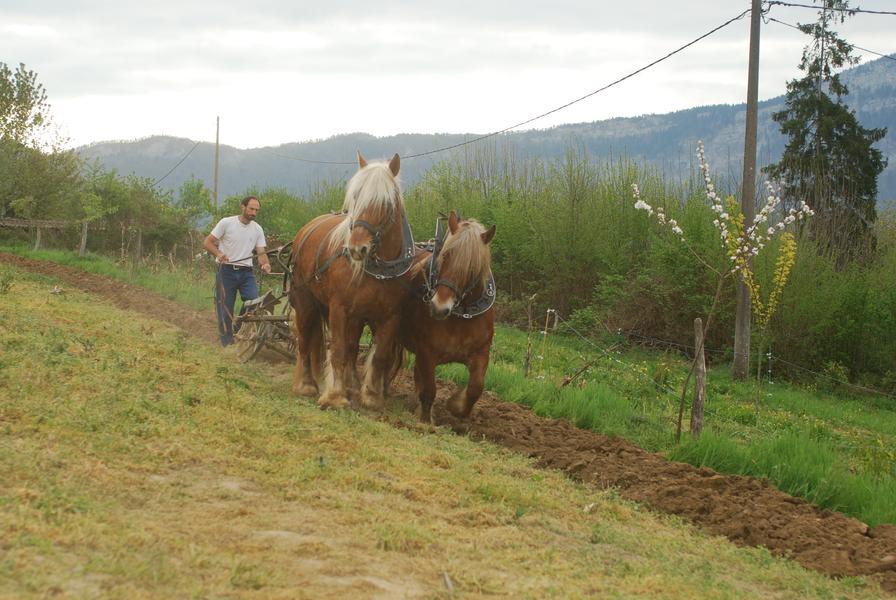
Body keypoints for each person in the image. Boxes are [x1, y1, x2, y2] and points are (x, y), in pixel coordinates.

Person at [203, 195, 272, 346]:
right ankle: (227, 343)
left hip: (246, 272)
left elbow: (261, 253)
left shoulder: (257, 229)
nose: (254, 213)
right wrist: (219, 254)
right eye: (251, 209)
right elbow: (207, 242)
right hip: (226, 271)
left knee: (253, 303)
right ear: (243, 207)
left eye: (256, 210)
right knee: (226, 307)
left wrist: (265, 264)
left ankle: (236, 328)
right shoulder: (226, 223)